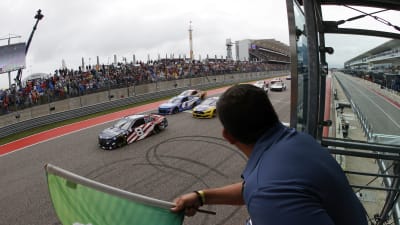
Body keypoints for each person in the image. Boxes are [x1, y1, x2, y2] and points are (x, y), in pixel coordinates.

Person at [171, 84, 367, 225]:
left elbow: (269, 191)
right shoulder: (299, 140)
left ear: (228, 136)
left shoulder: (268, 194)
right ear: (271, 113)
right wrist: (202, 197)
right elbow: (262, 188)